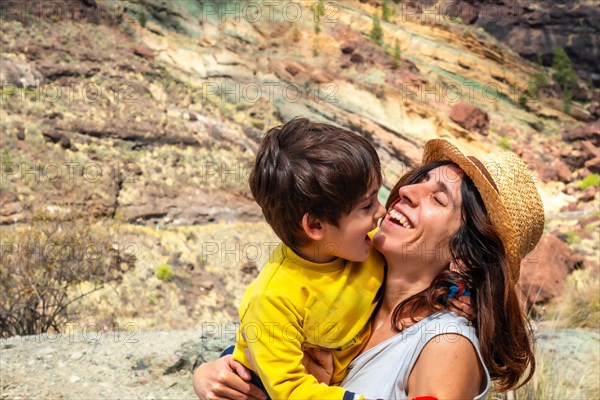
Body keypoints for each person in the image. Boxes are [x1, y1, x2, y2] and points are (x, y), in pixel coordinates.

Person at [194, 137, 544, 400]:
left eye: (438, 198)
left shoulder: (446, 347)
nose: (406, 191)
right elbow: (275, 326)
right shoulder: (354, 279)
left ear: (465, 254)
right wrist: (221, 370)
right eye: (418, 180)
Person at [230, 117, 387, 400]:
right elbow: (291, 390)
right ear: (315, 226)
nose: (382, 211)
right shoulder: (273, 299)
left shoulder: (365, 244)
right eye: (367, 205)